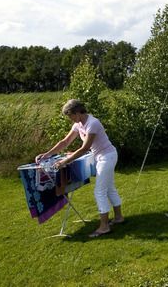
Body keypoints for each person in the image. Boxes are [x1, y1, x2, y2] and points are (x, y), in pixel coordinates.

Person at [36, 99, 123, 237]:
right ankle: (118, 218)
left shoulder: (93, 123)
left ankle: (104, 227)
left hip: (108, 156)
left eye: (70, 116)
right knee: (109, 188)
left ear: (77, 113)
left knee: (99, 192)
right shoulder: (78, 124)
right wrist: (46, 155)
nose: (70, 119)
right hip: (100, 157)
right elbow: (65, 142)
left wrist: (65, 161)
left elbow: (84, 148)